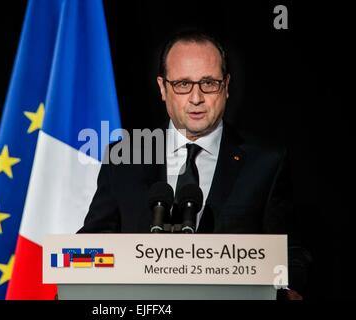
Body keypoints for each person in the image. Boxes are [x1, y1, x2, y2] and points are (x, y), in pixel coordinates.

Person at [78, 29, 311, 299]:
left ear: (226, 86)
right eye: (182, 84)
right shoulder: (125, 157)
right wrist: (72, 282)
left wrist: (290, 289)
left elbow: (290, 252)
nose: (196, 98)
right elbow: (93, 242)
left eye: (209, 83)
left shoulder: (265, 163)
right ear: (162, 88)